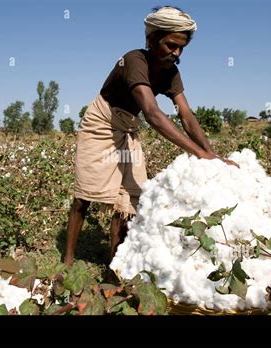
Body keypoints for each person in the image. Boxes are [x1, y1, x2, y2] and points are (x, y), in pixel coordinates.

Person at [64, 6, 238, 266]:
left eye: (181, 48)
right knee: (84, 197)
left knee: (129, 199)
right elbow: (153, 113)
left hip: (127, 126)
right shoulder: (134, 60)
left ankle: (116, 265)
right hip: (101, 123)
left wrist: (210, 155)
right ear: (152, 39)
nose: (176, 53)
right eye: (170, 45)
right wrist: (198, 153)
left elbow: (186, 115)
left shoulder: (171, 73)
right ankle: (67, 259)